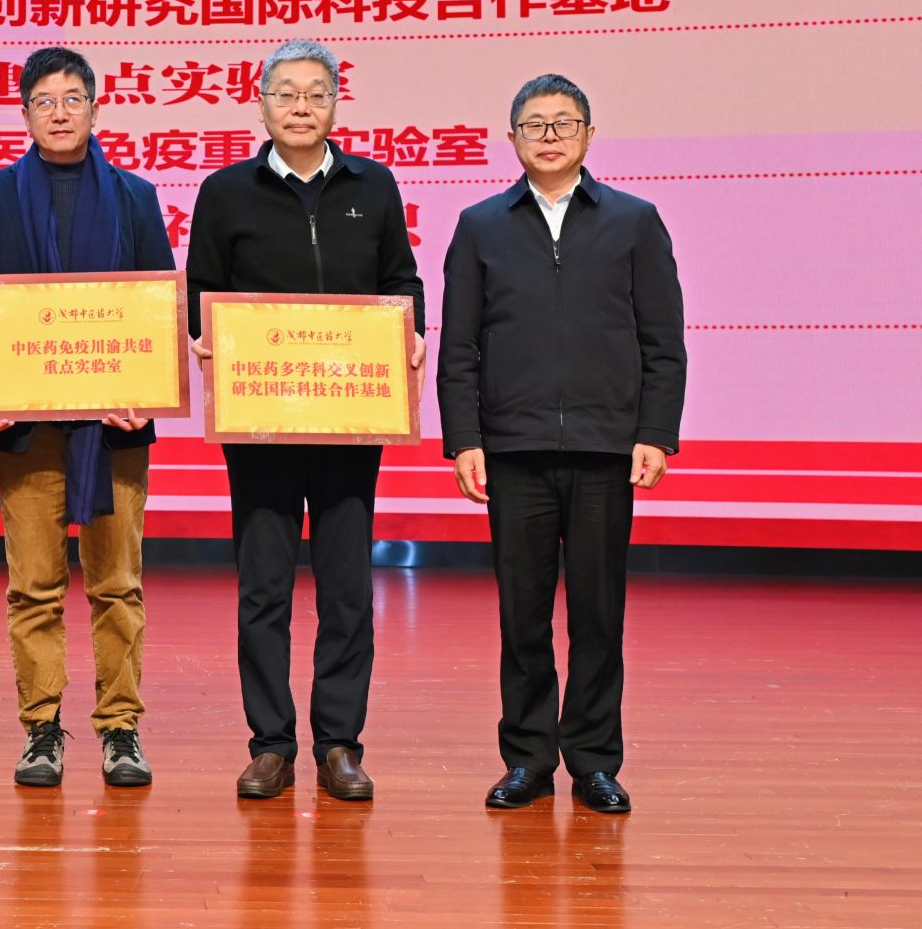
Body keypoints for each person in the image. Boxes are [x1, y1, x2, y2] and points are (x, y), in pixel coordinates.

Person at [437, 74, 686, 815]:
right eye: (534, 125)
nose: (549, 136)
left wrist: (654, 433)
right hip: (512, 450)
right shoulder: (481, 225)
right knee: (523, 616)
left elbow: (662, 342)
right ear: (512, 138)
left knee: (598, 614)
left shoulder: (634, 221)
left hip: (607, 448)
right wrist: (465, 439)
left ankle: (595, 761)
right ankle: (527, 759)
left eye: (563, 123)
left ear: (588, 134)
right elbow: (460, 346)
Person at [186, 39, 425, 802]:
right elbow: (201, 292)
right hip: (261, 421)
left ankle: (339, 743)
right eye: (285, 92)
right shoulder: (226, 192)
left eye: (315, 93)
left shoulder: (372, 186)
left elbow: (402, 280)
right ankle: (271, 744)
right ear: (261, 103)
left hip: (350, 417)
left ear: (335, 105)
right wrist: (204, 337)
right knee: (264, 587)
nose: (300, 106)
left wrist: (411, 332)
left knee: (347, 586)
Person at [0, 46, 174, 789]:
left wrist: (148, 390)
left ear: (94, 108)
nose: (59, 112)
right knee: (34, 587)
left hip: (115, 428)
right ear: (25, 114)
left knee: (118, 583)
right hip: (25, 428)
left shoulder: (136, 197)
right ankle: (41, 728)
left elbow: (158, 305)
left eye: (72, 99)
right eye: (44, 101)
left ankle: (121, 728)